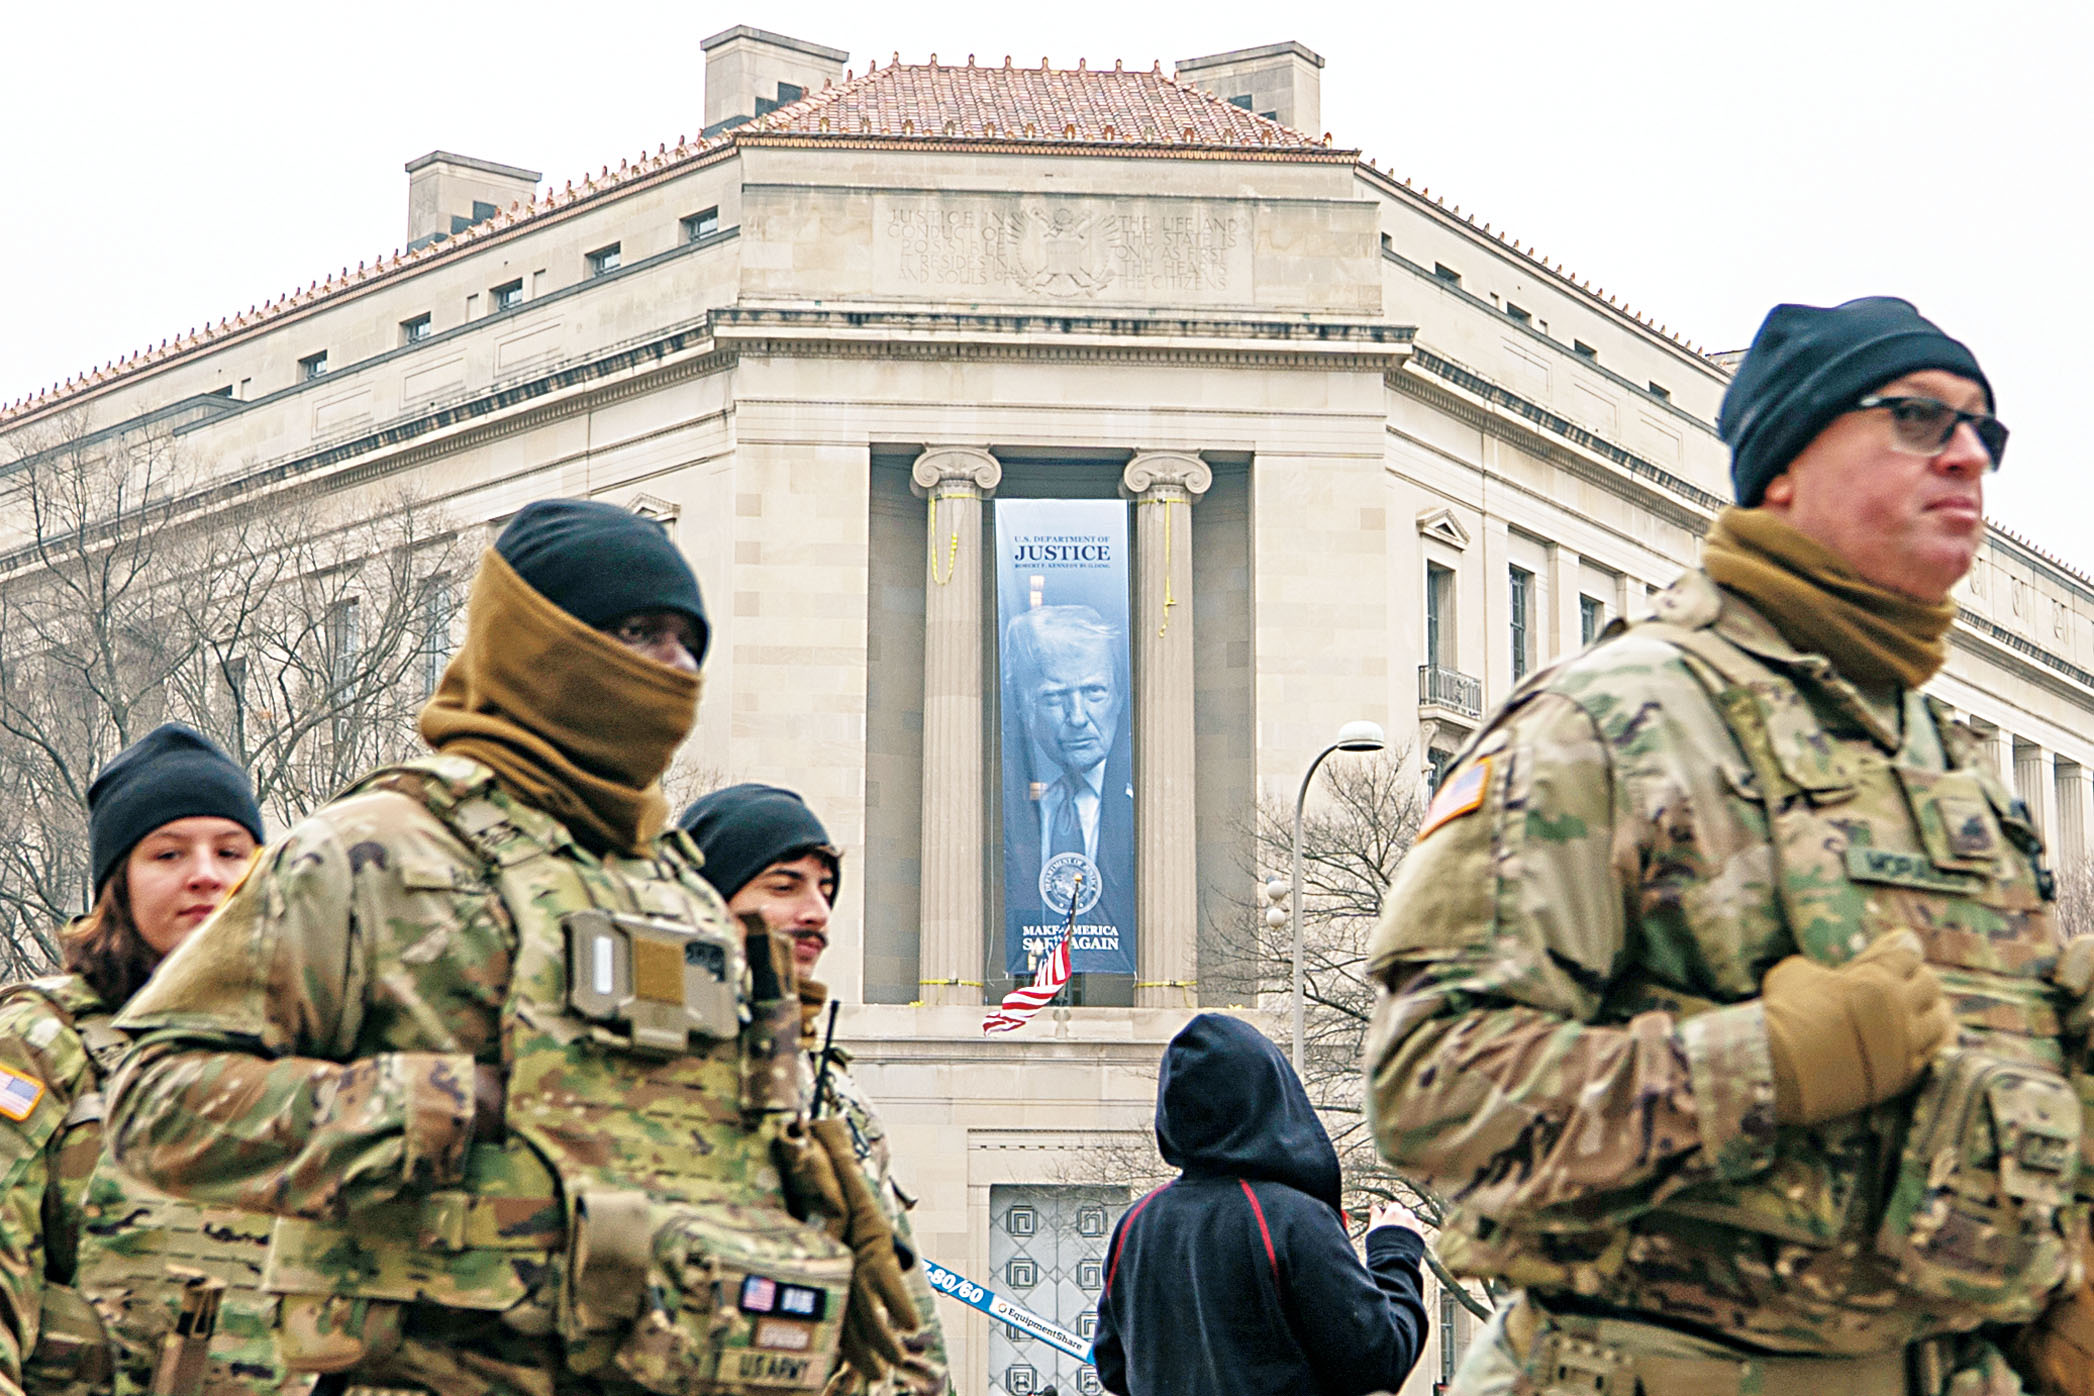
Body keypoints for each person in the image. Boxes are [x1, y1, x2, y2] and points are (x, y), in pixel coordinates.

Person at [1366, 297, 2094, 1395]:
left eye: (1981, 433)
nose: (1964, 457)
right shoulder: (1616, 718)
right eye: (1915, 419)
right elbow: (1433, 1093)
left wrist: (2052, 1051)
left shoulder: (1949, 775)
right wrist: (1769, 1063)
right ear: (1787, 464)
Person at [104, 499, 918, 1396]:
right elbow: (155, 1103)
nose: (673, 670)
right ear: (539, 644)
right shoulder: (375, 852)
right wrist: (419, 1105)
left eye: (690, 646)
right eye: (638, 633)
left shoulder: (677, 890)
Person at [0, 723, 275, 1396]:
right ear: (116, 885)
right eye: (168, 854)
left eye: (231, 852)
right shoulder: (41, 1039)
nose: (205, 875)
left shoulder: (310, 1047)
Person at [678, 783, 948, 1396]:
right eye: (784, 886)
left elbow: (899, 1309)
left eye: (825, 891)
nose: (817, 914)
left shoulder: (832, 1086)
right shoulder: (666, 1062)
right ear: (707, 898)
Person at [1092, 1013, 1428, 1396]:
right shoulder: (1293, 1220)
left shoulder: (1136, 1223)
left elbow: (1113, 1365)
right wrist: (1395, 1249)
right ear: (1270, 1094)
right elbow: (1379, 1359)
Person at [999, 605, 1135, 960]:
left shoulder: (1138, 801)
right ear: (1025, 708)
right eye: (1055, 697)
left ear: (1119, 698)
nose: (1077, 717)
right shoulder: (1013, 803)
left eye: (1094, 692)